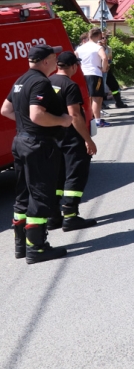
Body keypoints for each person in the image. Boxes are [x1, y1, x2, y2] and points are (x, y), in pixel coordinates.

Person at [1, 44, 72, 263]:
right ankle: (37, 249)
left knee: (23, 194)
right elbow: (37, 115)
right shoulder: (41, 82)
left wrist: (26, 124)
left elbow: (5, 110)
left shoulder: (21, 80)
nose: (56, 60)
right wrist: (62, 121)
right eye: (54, 57)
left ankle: (21, 246)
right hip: (38, 144)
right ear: (46, 61)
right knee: (40, 194)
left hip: (21, 141)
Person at [48, 52, 98, 232]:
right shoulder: (70, 85)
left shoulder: (48, 82)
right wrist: (88, 140)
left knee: (57, 176)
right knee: (75, 175)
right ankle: (70, 216)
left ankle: (53, 216)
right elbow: (75, 115)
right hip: (71, 138)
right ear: (73, 66)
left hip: (53, 137)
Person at [76, 28, 110, 128]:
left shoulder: (80, 48)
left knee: (88, 97)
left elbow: (74, 57)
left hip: (83, 74)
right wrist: (103, 69)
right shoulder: (97, 47)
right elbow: (105, 58)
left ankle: (89, 119)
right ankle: (97, 120)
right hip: (95, 74)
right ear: (99, 35)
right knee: (97, 98)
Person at [101, 34, 127, 109]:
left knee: (114, 86)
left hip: (107, 69)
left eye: (106, 37)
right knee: (100, 88)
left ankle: (118, 102)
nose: (104, 39)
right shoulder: (97, 48)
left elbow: (110, 59)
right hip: (99, 70)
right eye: (102, 38)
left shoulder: (108, 48)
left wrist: (108, 65)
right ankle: (101, 104)